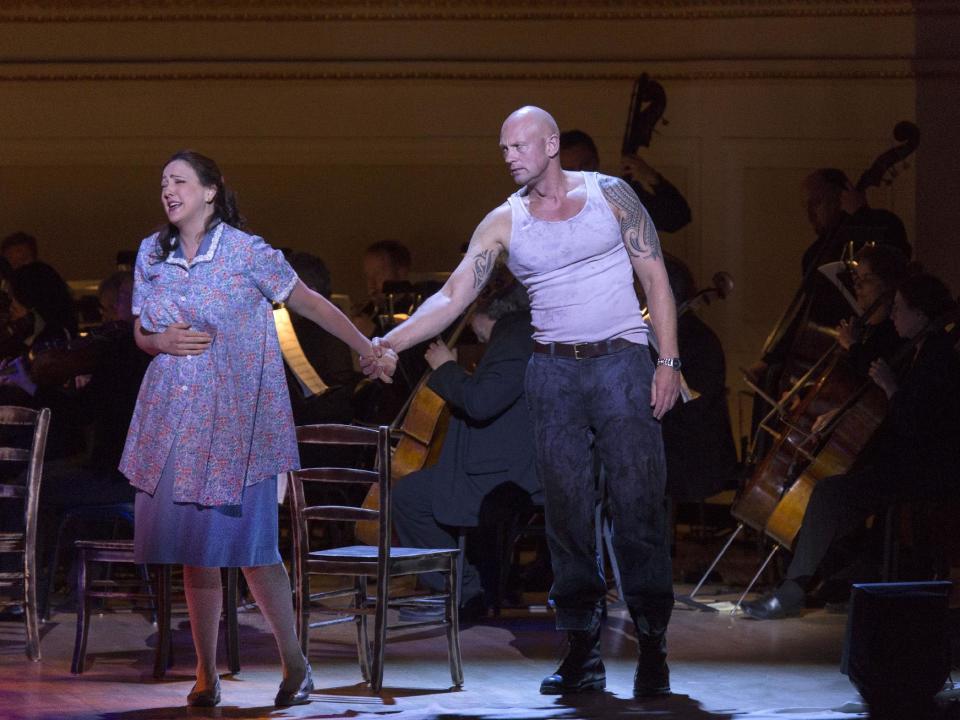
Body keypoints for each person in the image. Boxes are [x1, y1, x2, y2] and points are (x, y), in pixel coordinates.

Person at [366, 106, 680, 697]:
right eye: (503, 147)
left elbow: (656, 278)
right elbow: (454, 294)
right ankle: (582, 652)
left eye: (518, 145)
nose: (508, 155)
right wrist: (390, 341)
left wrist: (667, 362)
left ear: (551, 143)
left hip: (620, 362)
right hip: (554, 372)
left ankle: (653, 649)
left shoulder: (612, 195)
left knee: (639, 506)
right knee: (566, 516)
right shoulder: (504, 222)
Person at [119, 150, 395, 707]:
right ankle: (205, 674)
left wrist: (367, 347)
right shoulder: (154, 252)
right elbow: (140, 333)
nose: (168, 190)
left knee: (250, 547)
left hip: (235, 423)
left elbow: (310, 303)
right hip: (172, 416)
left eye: (180, 181)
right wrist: (159, 342)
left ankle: (296, 666)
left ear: (211, 190)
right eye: (163, 183)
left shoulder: (247, 252)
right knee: (194, 549)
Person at [742, 272, 960, 620]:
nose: (892, 315)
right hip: (909, 464)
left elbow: (917, 425)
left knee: (830, 494)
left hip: (924, 471)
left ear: (921, 315)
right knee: (834, 491)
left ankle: (797, 588)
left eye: (900, 308)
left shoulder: (937, 358)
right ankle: (838, 575)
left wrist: (891, 387)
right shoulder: (921, 350)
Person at [391, 273, 541, 618]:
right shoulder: (519, 333)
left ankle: (462, 591)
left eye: (471, 315)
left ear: (486, 309)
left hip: (512, 473)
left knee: (409, 497)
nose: (471, 326)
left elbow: (482, 402)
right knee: (422, 490)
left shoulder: (515, 338)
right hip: (508, 464)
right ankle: (472, 586)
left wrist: (446, 368)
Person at [558, 129, 691, 233]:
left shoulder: (618, 199)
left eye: (585, 165)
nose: (580, 174)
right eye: (570, 169)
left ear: (596, 162)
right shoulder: (546, 205)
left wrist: (653, 178)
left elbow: (679, 218)